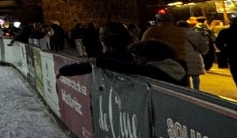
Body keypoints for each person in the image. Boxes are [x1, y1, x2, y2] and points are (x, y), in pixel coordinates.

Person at [57, 38, 187, 87]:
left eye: (138, 58)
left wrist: (99, 61)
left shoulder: (155, 70)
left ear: (153, 57)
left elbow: (128, 67)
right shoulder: (172, 66)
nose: (136, 61)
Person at [180, 20, 210, 90]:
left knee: (185, 76)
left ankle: (188, 90)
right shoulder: (194, 34)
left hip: (181, 57)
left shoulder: (176, 35)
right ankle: (197, 90)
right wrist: (204, 52)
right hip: (194, 57)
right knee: (196, 77)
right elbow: (203, 45)